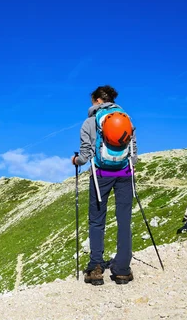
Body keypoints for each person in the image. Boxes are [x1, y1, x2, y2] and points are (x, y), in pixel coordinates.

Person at [72, 85, 137, 286]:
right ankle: (122, 270)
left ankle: (96, 268)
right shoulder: (126, 118)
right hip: (125, 174)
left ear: (98, 100)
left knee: (97, 221)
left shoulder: (90, 122)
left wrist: (75, 160)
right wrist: (129, 167)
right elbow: (133, 150)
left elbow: (85, 155)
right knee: (124, 219)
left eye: (92, 101)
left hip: (101, 176)